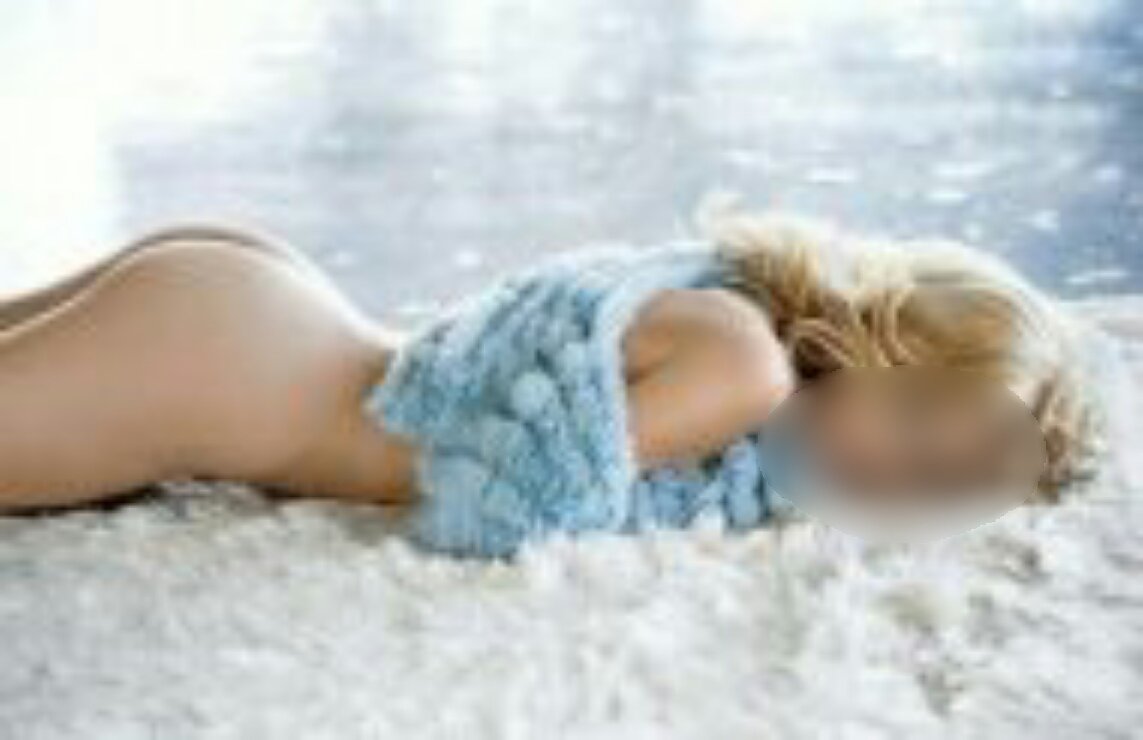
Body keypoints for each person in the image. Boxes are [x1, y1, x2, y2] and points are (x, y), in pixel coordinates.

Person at [0, 214, 1094, 535]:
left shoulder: (727, 302)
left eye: (931, 481)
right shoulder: (745, 367)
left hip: (259, 312)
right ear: (873, 335)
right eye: (909, 423)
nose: (890, 475)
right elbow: (501, 507)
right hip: (226, 373)